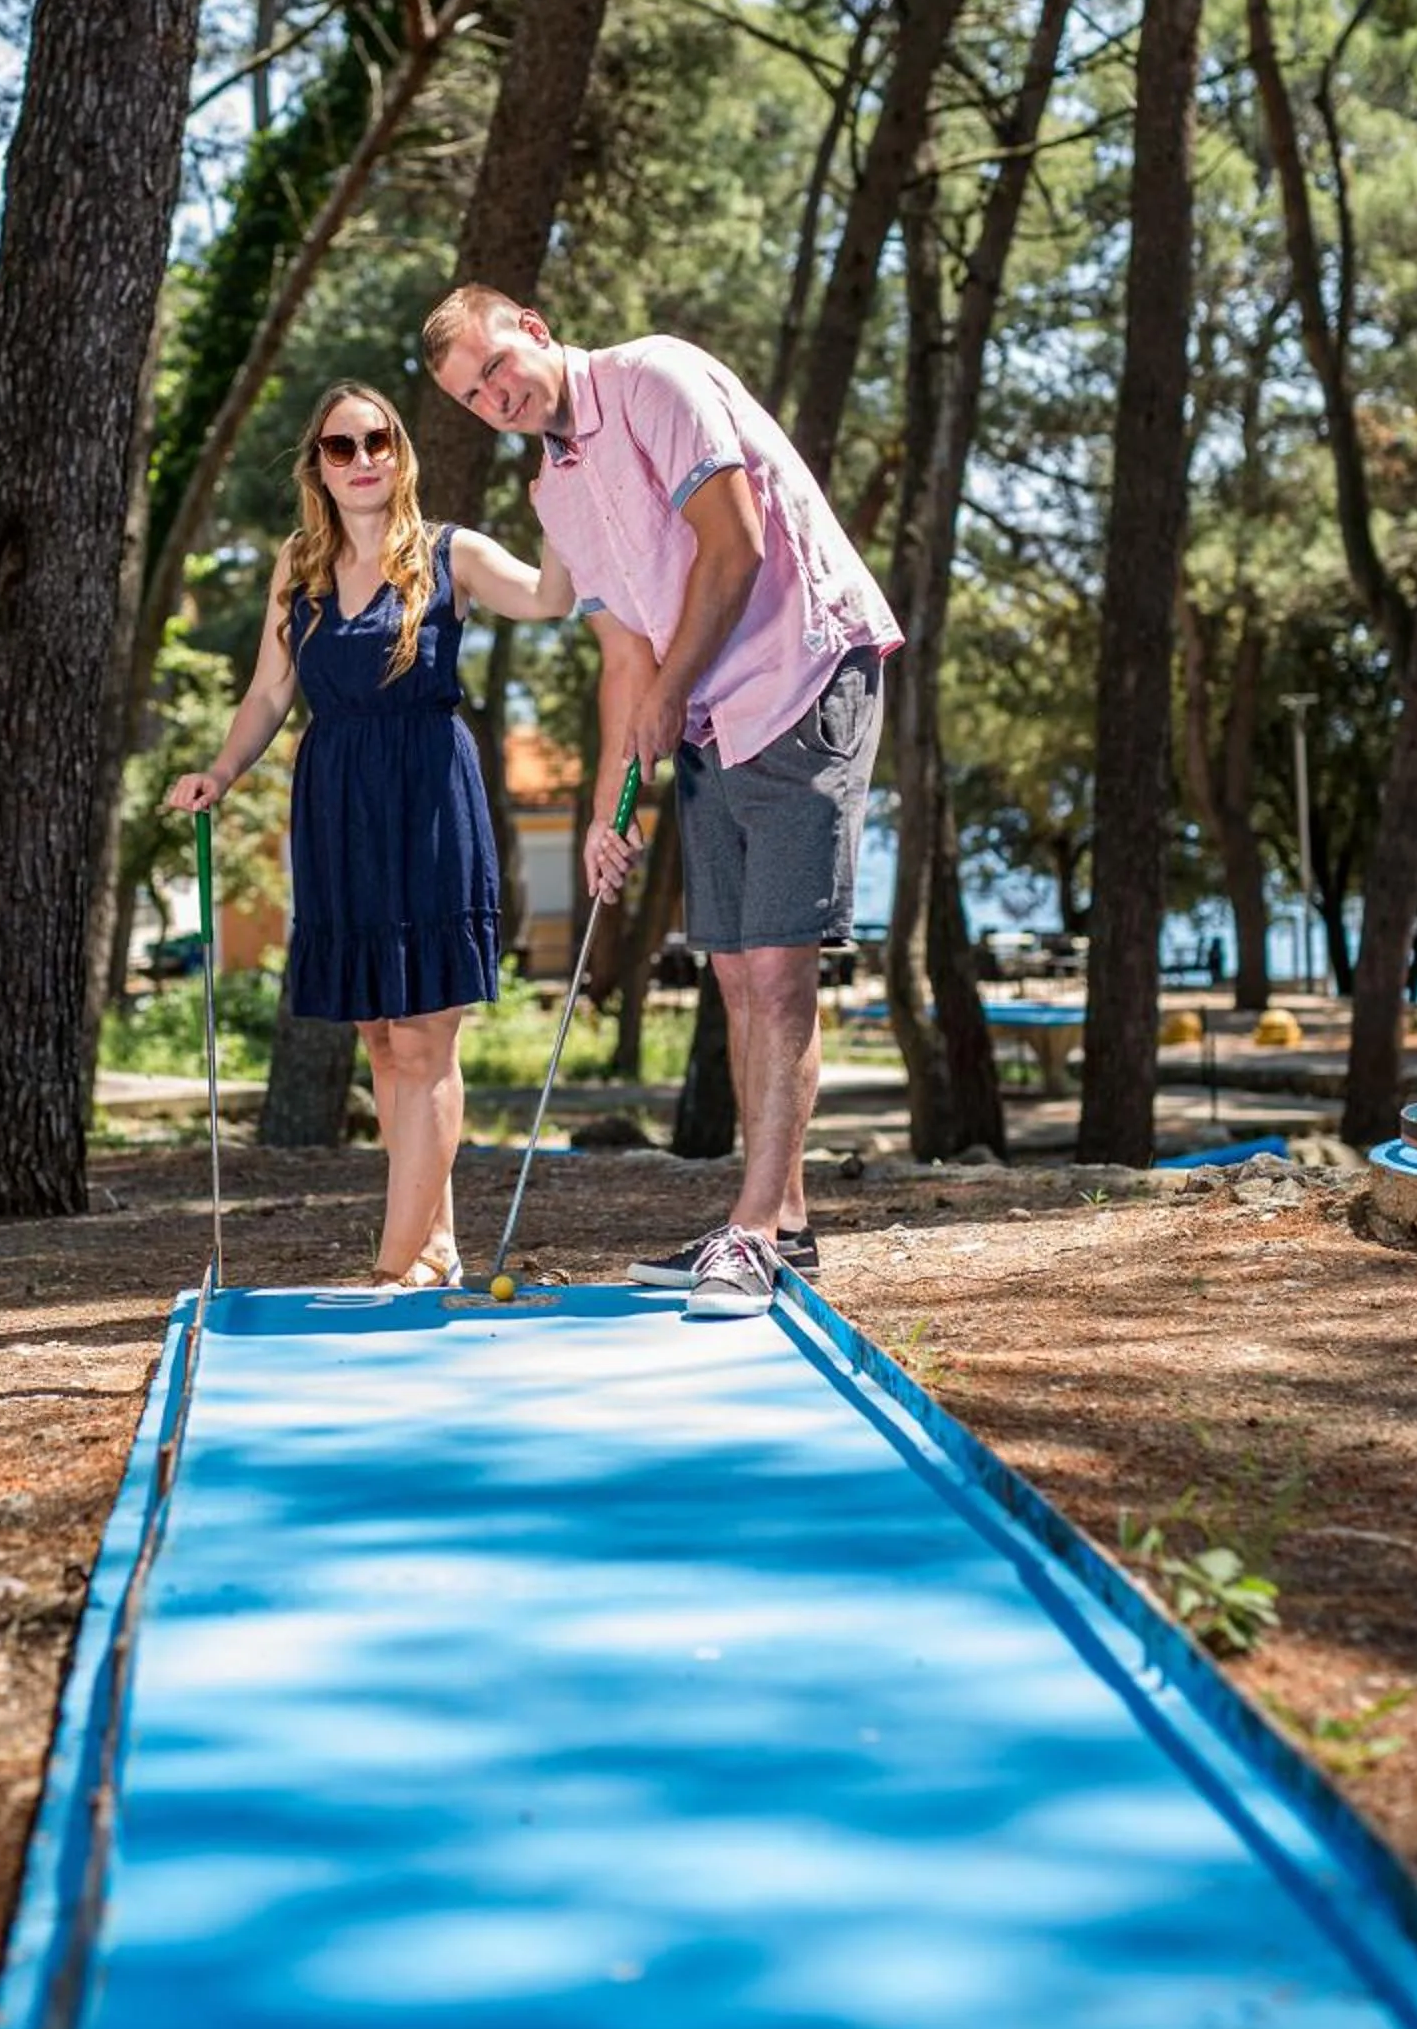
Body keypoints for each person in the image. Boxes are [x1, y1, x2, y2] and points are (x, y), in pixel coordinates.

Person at [423, 286, 901, 1320]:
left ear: (537, 330)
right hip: (709, 712)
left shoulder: (652, 377)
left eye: (496, 368)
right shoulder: (555, 491)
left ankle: (750, 1230)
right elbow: (621, 661)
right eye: (471, 397)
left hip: (801, 673)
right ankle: (782, 1228)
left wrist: (669, 696)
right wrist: (611, 811)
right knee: (733, 971)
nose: (494, 397)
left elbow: (732, 549)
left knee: (776, 971)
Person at [166, 379, 570, 1288]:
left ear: (401, 452)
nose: (362, 461)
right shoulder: (298, 565)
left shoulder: (450, 554)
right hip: (338, 805)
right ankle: (435, 1250)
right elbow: (271, 691)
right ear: (316, 463)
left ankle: (393, 1267)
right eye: (341, 447)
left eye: (377, 441)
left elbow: (549, 598)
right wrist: (219, 774)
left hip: (427, 799)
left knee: (427, 1039)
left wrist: (562, 491)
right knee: (383, 1040)